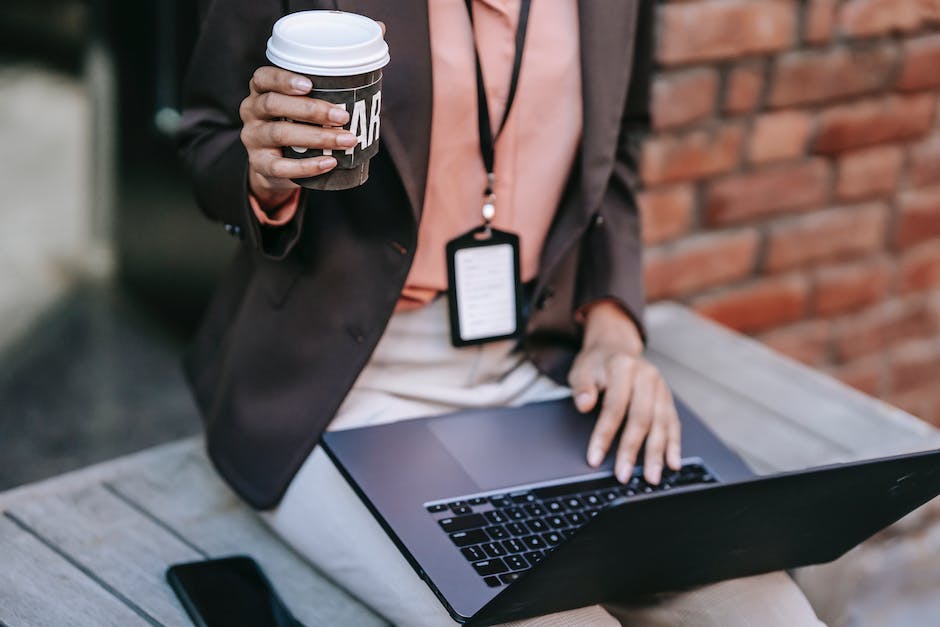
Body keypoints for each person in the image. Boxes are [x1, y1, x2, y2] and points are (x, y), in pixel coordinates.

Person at [179, 1, 825, 625]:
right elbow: (207, 139)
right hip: (342, 388)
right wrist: (263, 173)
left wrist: (612, 328)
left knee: (769, 610)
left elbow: (616, 147)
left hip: (537, 366)